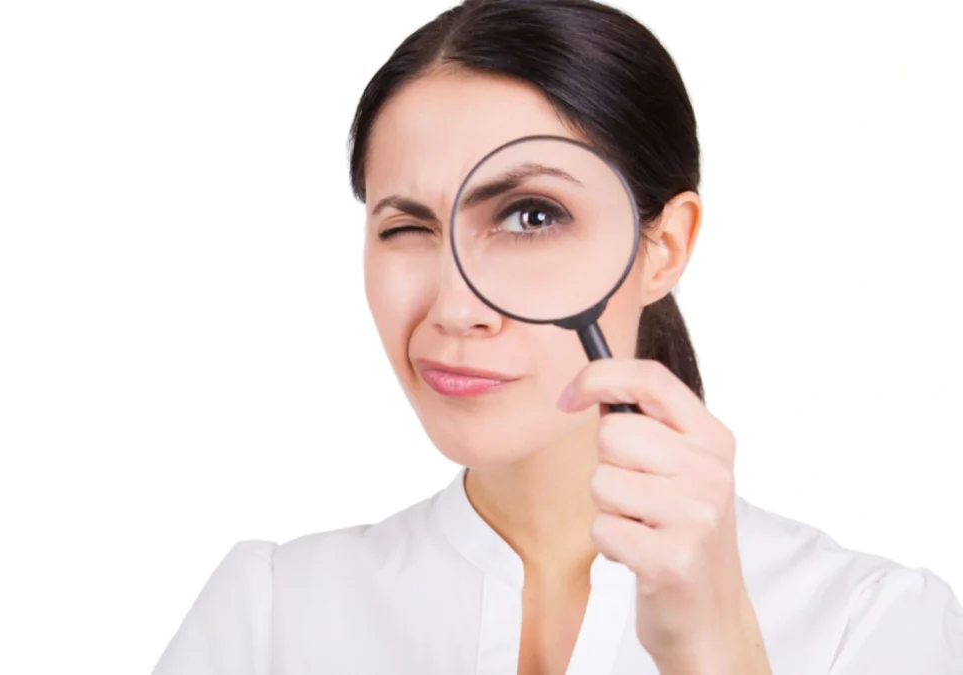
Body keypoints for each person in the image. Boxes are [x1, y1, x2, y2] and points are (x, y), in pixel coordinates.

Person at [150, 0, 962, 673]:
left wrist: (717, 650)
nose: (456, 306)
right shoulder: (270, 616)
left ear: (663, 248)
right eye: (406, 226)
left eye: (532, 215)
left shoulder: (872, 624)